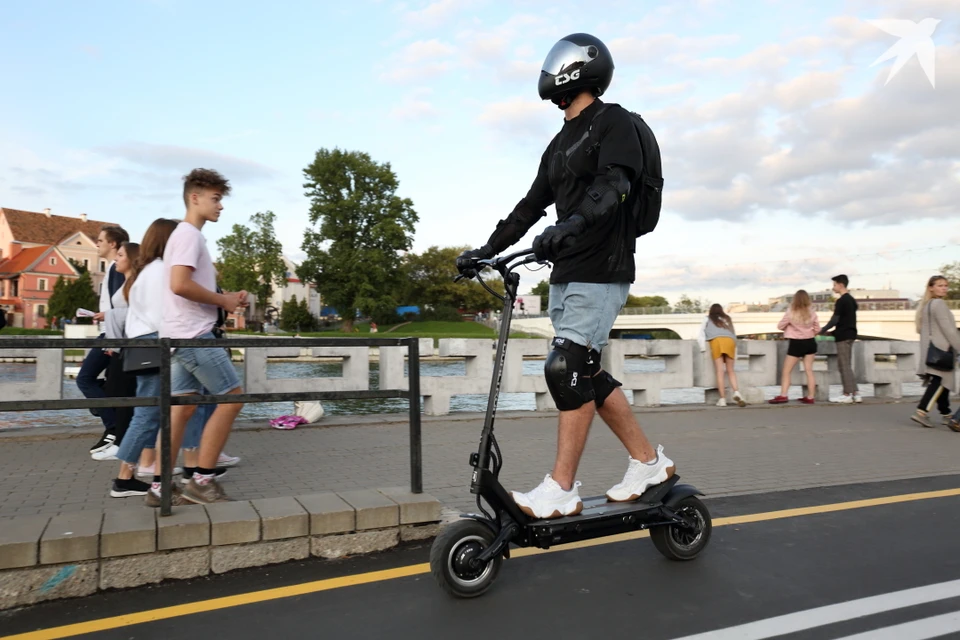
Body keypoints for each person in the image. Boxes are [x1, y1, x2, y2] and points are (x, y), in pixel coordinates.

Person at [456, 33, 675, 519]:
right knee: (588, 373)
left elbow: (615, 184)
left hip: (603, 265)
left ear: (581, 71)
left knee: (567, 366)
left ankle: (562, 487)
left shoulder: (614, 122)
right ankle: (648, 463)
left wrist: (572, 223)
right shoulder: (558, 143)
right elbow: (530, 206)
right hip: (567, 271)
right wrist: (488, 250)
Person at [157, 168, 247, 505]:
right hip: (193, 335)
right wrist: (222, 300)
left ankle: (160, 486)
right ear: (194, 198)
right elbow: (179, 284)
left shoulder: (184, 236)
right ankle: (203, 480)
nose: (220, 206)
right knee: (232, 398)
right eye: (215, 199)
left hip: (178, 335)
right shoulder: (189, 235)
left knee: (182, 409)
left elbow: (183, 285)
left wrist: (226, 298)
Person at [78, 225, 130, 457]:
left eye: (100, 241)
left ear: (113, 244)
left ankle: (113, 427)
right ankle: (115, 424)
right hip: (109, 331)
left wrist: (111, 334)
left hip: (112, 334)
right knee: (110, 384)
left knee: (85, 378)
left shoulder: (117, 269)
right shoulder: (112, 268)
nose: (97, 244)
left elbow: (124, 306)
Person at [92, 241, 141, 461]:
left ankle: (121, 442)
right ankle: (121, 441)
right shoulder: (127, 282)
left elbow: (136, 313)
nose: (117, 259)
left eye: (121, 255)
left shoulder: (136, 283)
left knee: (124, 394)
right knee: (120, 393)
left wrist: (109, 320)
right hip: (120, 345)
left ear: (131, 258)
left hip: (128, 345)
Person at [911, 275, 960, 429]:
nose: (944, 288)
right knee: (940, 381)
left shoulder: (927, 305)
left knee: (942, 382)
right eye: (940, 285)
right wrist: (958, 346)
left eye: (945, 285)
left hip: (932, 349)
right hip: (942, 349)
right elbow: (949, 330)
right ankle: (921, 411)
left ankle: (946, 414)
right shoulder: (938, 304)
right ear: (931, 287)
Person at [769, 290, 820, 405]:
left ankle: (783, 395)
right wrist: (808, 333)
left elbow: (780, 326)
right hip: (810, 342)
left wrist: (791, 329)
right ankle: (811, 397)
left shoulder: (791, 312)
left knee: (786, 371)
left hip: (796, 343)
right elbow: (817, 329)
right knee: (809, 370)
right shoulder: (812, 313)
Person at [820, 274, 860, 404]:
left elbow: (835, 319)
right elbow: (846, 320)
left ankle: (847, 393)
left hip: (843, 336)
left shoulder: (841, 301)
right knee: (847, 365)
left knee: (843, 365)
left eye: (834, 285)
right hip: (851, 334)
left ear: (841, 285)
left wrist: (823, 330)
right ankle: (856, 393)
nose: (833, 288)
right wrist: (832, 332)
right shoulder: (852, 300)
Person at [698, 304, 746, 407]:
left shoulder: (707, 318)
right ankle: (737, 392)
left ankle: (722, 399)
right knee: (730, 370)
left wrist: (702, 348)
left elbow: (701, 333)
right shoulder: (727, 318)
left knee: (720, 371)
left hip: (717, 341)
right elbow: (733, 333)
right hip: (730, 341)